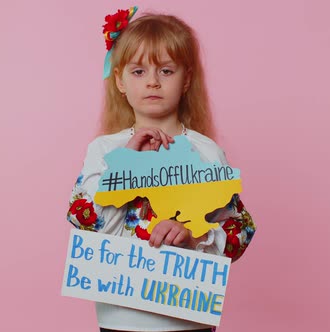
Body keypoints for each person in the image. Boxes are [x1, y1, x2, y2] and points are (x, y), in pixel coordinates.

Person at [66, 6, 256, 332]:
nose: (152, 82)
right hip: (120, 315)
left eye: (166, 71)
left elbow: (239, 233)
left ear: (187, 80)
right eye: (138, 71)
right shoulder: (105, 151)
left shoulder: (207, 152)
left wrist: (195, 237)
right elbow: (86, 223)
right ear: (120, 81)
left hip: (187, 318)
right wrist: (126, 165)